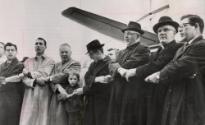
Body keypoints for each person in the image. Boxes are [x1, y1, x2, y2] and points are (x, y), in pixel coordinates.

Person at [123, 16, 183, 125]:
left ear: (175, 32)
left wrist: (133, 71)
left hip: (169, 97)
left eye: (166, 29)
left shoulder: (179, 48)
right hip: (153, 97)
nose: (162, 33)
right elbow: (150, 66)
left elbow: (156, 65)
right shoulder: (157, 51)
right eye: (159, 31)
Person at [147, 14, 205, 125]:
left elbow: (182, 65)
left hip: (190, 101)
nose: (181, 30)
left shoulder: (202, 45)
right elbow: (172, 64)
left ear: (196, 26)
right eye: (180, 27)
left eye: (184, 26)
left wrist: (159, 75)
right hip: (177, 99)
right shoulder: (182, 48)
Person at [106, 21, 150, 125]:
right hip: (118, 91)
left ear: (138, 35)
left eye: (130, 33)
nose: (126, 36)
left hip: (132, 93)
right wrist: (117, 67)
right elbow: (111, 67)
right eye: (125, 33)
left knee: (129, 120)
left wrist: (117, 66)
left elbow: (128, 66)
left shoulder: (143, 49)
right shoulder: (122, 52)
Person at [74, 39, 112, 125]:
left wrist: (84, 90)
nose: (90, 57)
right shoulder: (93, 64)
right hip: (91, 101)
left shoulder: (109, 63)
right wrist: (97, 79)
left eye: (91, 54)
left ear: (98, 52)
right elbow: (86, 78)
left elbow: (103, 86)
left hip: (103, 102)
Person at [19, 37, 55, 125]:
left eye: (41, 44)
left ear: (45, 47)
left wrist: (29, 73)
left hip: (44, 94)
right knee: (28, 119)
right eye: (36, 43)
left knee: (43, 119)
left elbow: (45, 76)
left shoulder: (50, 61)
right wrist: (32, 81)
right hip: (30, 93)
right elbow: (23, 78)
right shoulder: (27, 61)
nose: (38, 45)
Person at [47, 43, 81, 125]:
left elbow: (64, 77)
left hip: (67, 96)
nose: (64, 54)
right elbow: (50, 81)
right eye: (62, 52)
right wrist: (56, 87)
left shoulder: (75, 63)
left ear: (71, 52)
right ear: (59, 53)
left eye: (66, 52)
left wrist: (53, 79)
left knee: (63, 120)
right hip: (55, 95)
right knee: (53, 120)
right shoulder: (56, 65)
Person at [0, 42, 24, 125]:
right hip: (2, 99)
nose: (10, 52)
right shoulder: (1, 66)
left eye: (12, 50)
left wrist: (3, 80)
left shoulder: (20, 65)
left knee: (13, 121)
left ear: (16, 52)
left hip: (14, 98)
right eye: (8, 50)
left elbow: (18, 78)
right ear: (5, 52)